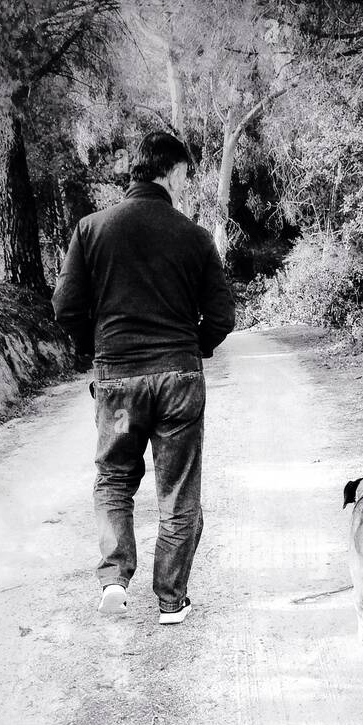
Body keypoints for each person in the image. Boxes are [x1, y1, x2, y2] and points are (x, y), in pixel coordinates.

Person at [52, 132, 235, 625]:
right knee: (178, 491)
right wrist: (192, 347)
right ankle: (172, 601)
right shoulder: (193, 236)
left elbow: (66, 307)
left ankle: (114, 577)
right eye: (185, 175)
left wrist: (98, 350)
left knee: (114, 479)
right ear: (172, 173)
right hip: (178, 377)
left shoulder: (91, 230)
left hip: (118, 378)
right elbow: (222, 316)